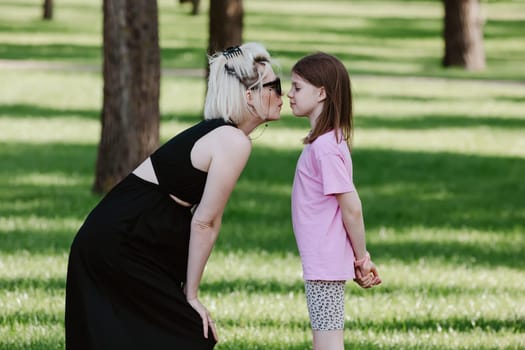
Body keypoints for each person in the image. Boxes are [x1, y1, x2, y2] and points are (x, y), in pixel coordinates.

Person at [65, 42, 282, 349]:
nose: (282, 95)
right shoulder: (232, 141)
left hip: (129, 235)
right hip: (118, 241)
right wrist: (191, 295)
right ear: (250, 96)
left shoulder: (223, 135)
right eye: (275, 86)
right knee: (188, 334)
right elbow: (205, 222)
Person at [287, 52, 381, 350]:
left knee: (327, 343)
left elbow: (351, 208)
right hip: (322, 260)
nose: (289, 94)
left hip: (324, 263)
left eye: (297, 87)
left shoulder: (325, 148)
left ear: (322, 92)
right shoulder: (325, 142)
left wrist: (362, 259)